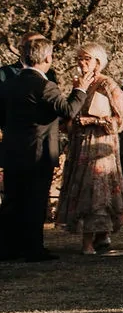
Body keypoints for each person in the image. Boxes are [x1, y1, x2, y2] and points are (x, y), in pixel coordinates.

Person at [0, 35, 86, 262]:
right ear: (47, 57)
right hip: (38, 152)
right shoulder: (45, 85)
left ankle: (8, 248)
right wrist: (81, 90)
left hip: (11, 150)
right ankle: (32, 248)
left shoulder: (8, 84)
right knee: (35, 201)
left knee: (12, 200)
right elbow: (67, 110)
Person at [54, 43, 123, 255]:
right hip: (80, 145)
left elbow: (122, 120)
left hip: (100, 146)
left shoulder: (108, 85)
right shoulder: (79, 84)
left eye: (87, 59)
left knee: (96, 189)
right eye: (80, 59)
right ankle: (100, 236)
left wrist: (95, 121)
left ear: (98, 62)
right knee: (83, 188)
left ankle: (92, 240)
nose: (82, 63)